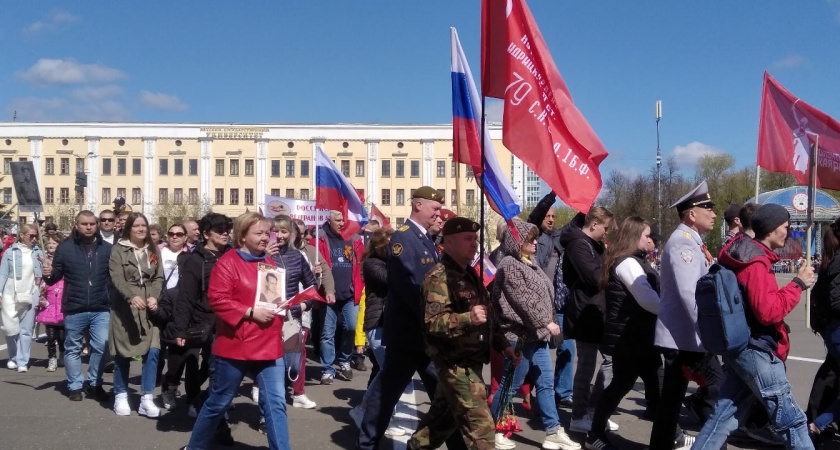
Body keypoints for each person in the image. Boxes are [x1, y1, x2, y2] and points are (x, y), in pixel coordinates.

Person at [693, 204, 816, 449]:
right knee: (793, 422)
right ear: (770, 229)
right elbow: (767, 311)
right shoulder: (756, 262)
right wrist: (797, 284)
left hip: (744, 348)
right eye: (785, 227)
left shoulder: (744, 255)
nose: (788, 232)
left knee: (722, 419)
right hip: (757, 351)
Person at [357, 186, 467, 450]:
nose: (439, 214)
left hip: (425, 335)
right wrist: (444, 318)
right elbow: (414, 287)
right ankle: (366, 444)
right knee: (386, 396)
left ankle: (458, 446)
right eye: (435, 208)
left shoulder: (426, 240)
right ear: (419, 206)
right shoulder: (403, 240)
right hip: (408, 336)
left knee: (444, 395)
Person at [407, 217, 521, 450]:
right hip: (455, 365)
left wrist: (503, 345)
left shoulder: (471, 275)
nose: (474, 244)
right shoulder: (440, 277)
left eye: (475, 239)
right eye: (468, 239)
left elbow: (487, 317)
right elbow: (433, 324)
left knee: (440, 423)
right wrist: (468, 318)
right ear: (449, 242)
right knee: (482, 431)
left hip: (473, 362)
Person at [185, 212, 290, 450]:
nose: (266, 238)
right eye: (259, 233)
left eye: (267, 232)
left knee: (276, 404)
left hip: (269, 344)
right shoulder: (227, 263)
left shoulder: (269, 263)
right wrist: (251, 312)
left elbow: (271, 300)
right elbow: (217, 300)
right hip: (236, 346)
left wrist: (286, 305)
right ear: (242, 236)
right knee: (218, 403)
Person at [490, 218, 580, 450]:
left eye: (535, 236)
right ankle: (494, 428)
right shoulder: (510, 265)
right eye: (530, 237)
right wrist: (546, 322)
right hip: (518, 335)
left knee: (546, 383)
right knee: (510, 384)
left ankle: (553, 431)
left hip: (536, 336)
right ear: (516, 240)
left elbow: (543, 295)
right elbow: (524, 302)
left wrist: (546, 322)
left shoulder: (529, 263)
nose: (535, 241)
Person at [650, 180, 723, 450]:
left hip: (682, 337)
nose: (714, 213)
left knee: (670, 402)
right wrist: (709, 333)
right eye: (708, 208)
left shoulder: (691, 240)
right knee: (717, 390)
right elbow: (689, 294)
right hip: (687, 337)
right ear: (692, 214)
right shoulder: (683, 243)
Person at [586, 217, 662, 450]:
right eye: (646, 235)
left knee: (657, 385)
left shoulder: (632, 261)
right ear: (634, 235)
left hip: (641, 336)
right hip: (630, 339)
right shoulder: (627, 263)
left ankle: (672, 433)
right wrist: (671, 310)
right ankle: (594, 434)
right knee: (621, 386)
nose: (651, 239)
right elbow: (648, 299)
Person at [166, 213, 233, 443]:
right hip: (205, 322)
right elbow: (185, 298)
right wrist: (180, 329)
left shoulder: (233, 254)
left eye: (227, 229)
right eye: (219, 229)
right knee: (216, 373)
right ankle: (218, 427)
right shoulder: (195, 260)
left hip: (232, 322)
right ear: (206, 234)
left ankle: (201, 402)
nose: (225, 233)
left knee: (224, 375)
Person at [43, 210, 112, 402]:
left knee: (101, 345)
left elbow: (113, 278)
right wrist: (48, 273)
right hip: (74, 306)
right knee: (73, 348)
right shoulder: (65, 248)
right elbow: (54, 277)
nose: (88, 227)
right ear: (76, 225)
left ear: (96, 225)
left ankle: (94, 383)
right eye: (84, 224)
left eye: (92, 223)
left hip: (100, 306)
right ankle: (75, 385)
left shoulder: (107, 248)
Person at [561, 206, 618, 433]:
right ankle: (578, 415)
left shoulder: (594, 245)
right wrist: (614, 270)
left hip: (598, 310)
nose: (606, 232)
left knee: (612, 360)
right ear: (593, 224)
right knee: (586, 366)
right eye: (605, 228)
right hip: (584, 311)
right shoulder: (577, 244)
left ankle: (596, 411)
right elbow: (594, 277)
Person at [349, 227, 405, 437]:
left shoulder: (390, 263)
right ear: (381, 246)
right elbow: (392, 280)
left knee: (387, 373)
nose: (396, 250)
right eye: (391, 246)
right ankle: (375, 414)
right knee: (390, 373)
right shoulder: (372, 264)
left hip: (391, 323)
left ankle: (364, 409)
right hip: (377, 324)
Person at [108, 212, 164, 417]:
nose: (141, 229)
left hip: (149, 308)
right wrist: (131, 296)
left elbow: (158, 277)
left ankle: (146, 398)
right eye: (136, 226)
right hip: (125, 308)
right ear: (128, 229)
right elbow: (117, 278)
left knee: (153, 352)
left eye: (144, 225)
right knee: (124, 353)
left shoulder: (152, 249)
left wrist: (154, 296)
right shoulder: (119, 250)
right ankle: (121, 395)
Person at [528, 191, 577, 409]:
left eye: (553, 216)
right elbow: (536, 213)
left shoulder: (560, 238)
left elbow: (578, 222)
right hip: (538, 305)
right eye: (546, 215)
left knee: (567, 349)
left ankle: (562, 393)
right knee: (536, 354)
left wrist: (586, 201)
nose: (550, 219)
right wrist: (553, 193)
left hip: (558, 306)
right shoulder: (534, 236)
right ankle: (529, 391)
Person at [269, 215, 317, 409]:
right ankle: (271, 399)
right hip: (267, 317)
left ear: (291, 234)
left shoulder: (297, 256)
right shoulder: (261, 255)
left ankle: (298, 393)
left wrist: (302, 306)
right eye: (275, 231)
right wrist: (264, 255)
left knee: (294, 362)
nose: (279, 235)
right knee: (271, 362)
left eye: (284, 231)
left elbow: (311, 286)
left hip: (291, 317)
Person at [317, 210, 365, 384]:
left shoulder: (354, 239)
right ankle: (327, 369)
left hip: (350, 294)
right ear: (328, 220)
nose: (341, 223)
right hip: (328, 294)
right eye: (337, 220)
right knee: (327, 333)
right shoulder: (320, 239)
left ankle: (344, 359)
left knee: (351, 327)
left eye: (343, 219)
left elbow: (362, 263)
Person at [806, 216, 840, 438]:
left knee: (830, 375)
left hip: (833, 330)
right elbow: (836, 300)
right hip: (837, 329)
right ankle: (818, 423)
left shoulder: (833, 258)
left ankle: (817, 422)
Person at [0, 223, 45, 372]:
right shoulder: (10, 252)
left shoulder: (38, 252)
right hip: (10, 291)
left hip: (31, 290)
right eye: (31, 236)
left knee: (26, 330)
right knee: (9, 328)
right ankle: (12, 356)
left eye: (35, 236)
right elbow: (3, 274)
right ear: (22, 235)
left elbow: (44, 273)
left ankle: (22, 361)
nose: (34, 239)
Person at [158, 223, 191, 411]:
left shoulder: (191, 256)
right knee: (161, 349)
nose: (175, 237)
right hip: (163, 301)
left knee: (180, 351)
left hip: (182, 304)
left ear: (185, 237)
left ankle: (175, 388)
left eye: (179, 234)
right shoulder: (159, 253)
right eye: (171, 233)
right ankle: (164, 386)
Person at [36, 233, 66, 372]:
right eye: (49, 244)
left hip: (61, 296)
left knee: (61, 334)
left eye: (54, 244)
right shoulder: (43, 259)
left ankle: (63, 354)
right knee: (51, 334)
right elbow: (40, 279)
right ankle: (51, 358)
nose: (51, 246)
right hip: (49, 297)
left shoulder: (64, 259)